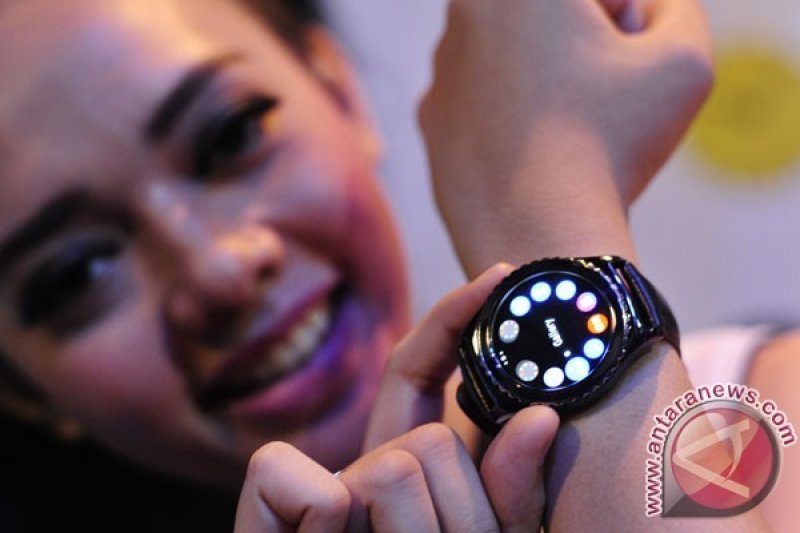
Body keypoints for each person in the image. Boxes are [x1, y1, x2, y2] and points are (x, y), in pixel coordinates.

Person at [0, 0, 775, 531]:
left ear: (340, 93)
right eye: (75, 273)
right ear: (24, 391)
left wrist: (535, 212)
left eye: (230, 135)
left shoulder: (757, 406)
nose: (218, 268)